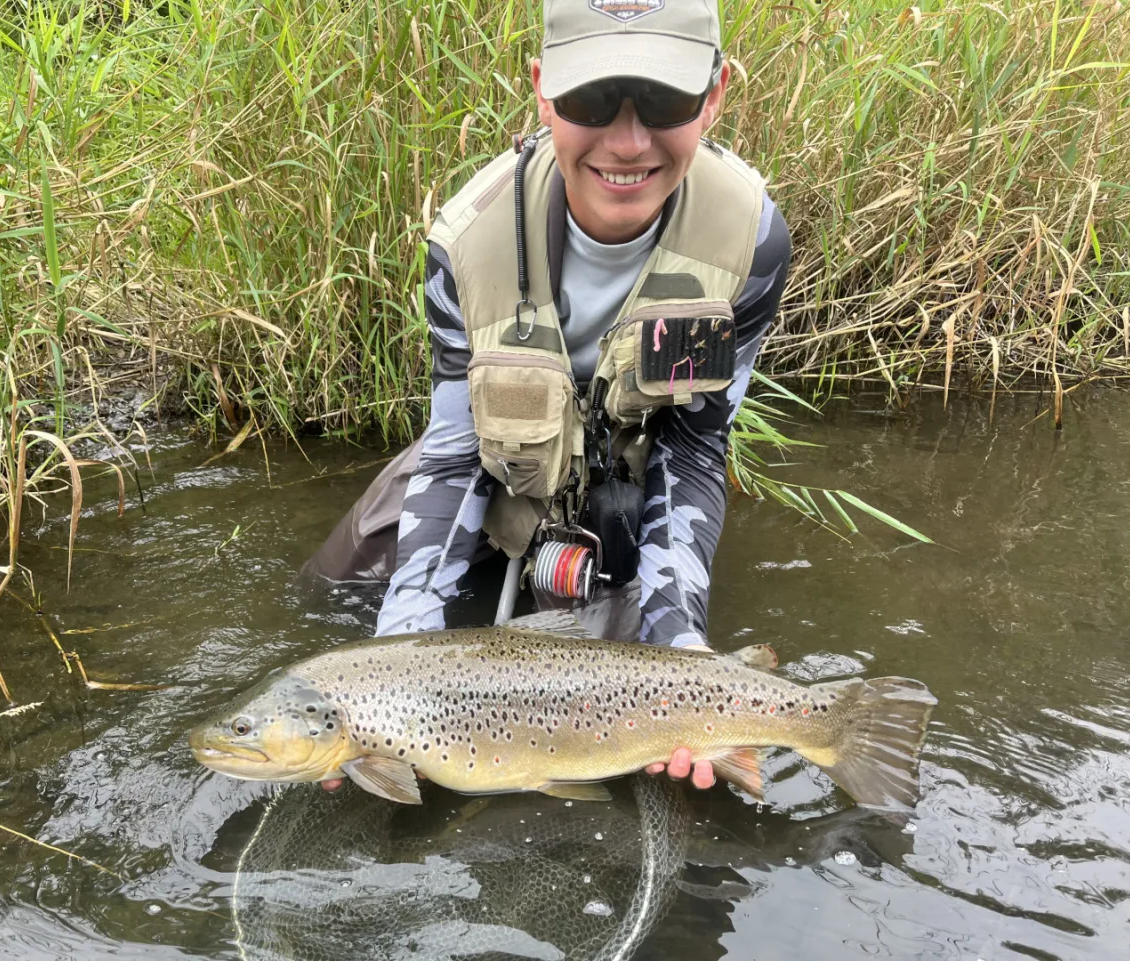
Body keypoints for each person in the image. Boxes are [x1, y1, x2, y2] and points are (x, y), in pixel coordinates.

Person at [309, 0, 791, 791]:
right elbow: (456, 449)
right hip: (496, 458)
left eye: (664, 102)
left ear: (714, 96)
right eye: (593, 101)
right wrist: (400, 650)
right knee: (330, 596)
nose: (627, 142)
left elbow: (697, 449)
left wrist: (679, 639)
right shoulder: (464, 245)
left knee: (637, 748)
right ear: (543, 93)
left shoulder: (751, 243)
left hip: (625, 501)